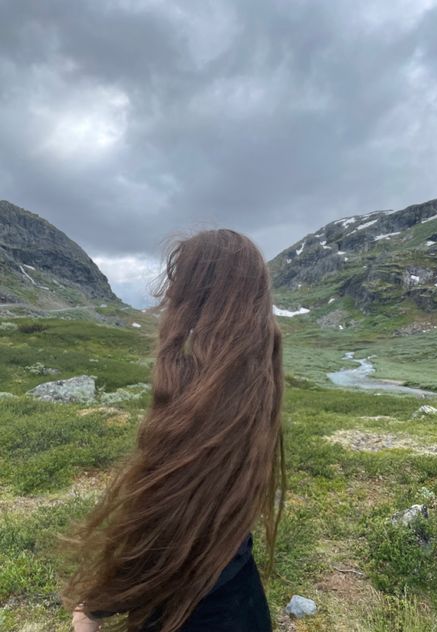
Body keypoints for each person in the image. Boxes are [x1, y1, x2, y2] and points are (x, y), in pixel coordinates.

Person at [58, 228, 286, 632]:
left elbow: (166, 527)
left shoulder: (205, 399)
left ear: (197, 299)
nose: (167, 298)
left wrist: (93, 609)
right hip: (241, 598)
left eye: (178, 285)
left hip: (190, 612)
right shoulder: (255, 386)